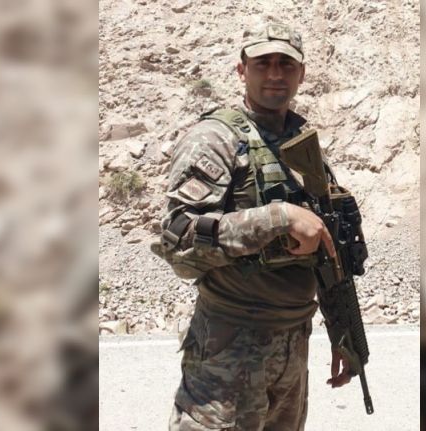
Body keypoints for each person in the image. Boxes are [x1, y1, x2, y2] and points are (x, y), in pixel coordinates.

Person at [152, 21, 353, 430]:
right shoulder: (215, 139)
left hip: (293, 346)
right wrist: (278, 218)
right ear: (242, 70)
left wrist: (344, 333)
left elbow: (331, 247)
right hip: (229, 349)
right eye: (263, 63)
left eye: (286, 64)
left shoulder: (302, 144)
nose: (275, 74)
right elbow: (178, 236)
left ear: (302, 73)